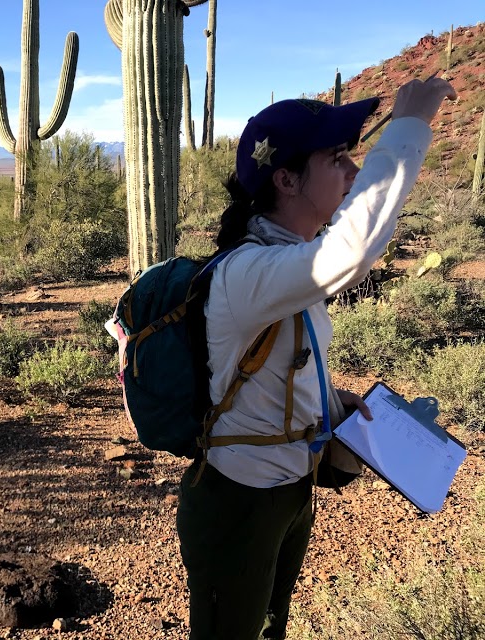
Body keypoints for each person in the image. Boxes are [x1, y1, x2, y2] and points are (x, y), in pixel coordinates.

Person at [176, 76, 457, 640]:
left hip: (289, 492)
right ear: (286, 179)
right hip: (240, 501)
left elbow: (281, 364)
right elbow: (351, 251)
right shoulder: (247, 272)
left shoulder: (285, 267)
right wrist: (409, 125)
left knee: (271, 627)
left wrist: (329, 405)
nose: (352, 171)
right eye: (336, 157)